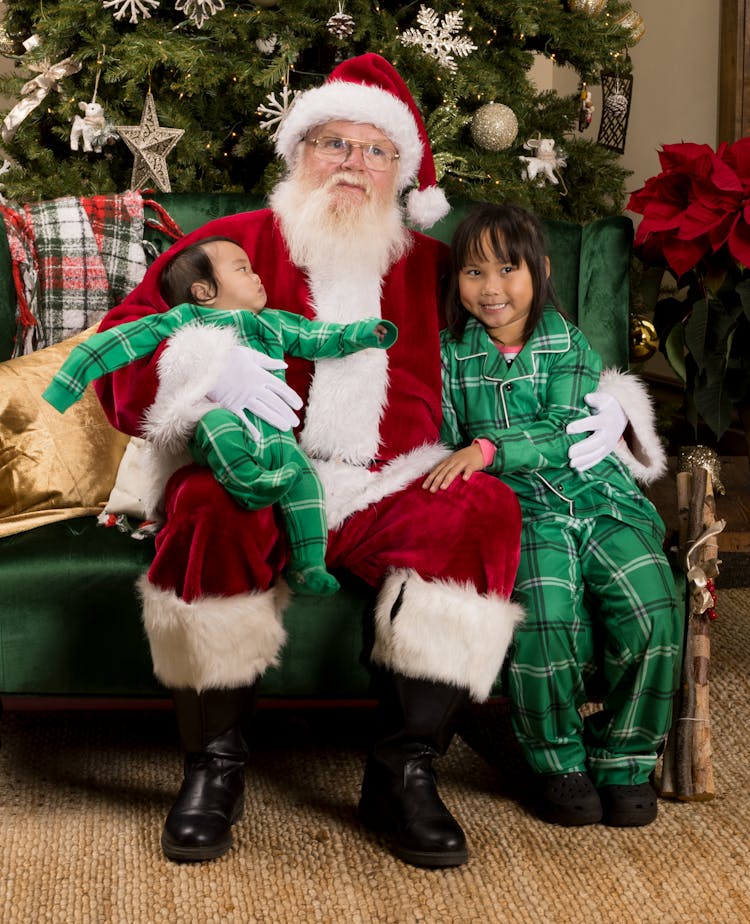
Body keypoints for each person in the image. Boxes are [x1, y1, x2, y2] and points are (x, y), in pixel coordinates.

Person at [93, 53, 665, 867]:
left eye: (375, 150)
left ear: (401, 171)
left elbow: (530, 335)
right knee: (203, 510)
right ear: (299, 152)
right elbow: (120, 347)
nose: (353, 166)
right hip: (256, 470)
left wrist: (610, 400)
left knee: (480, 511)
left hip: (390, 482)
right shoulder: (232, 247)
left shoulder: (437, 267)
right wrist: (198, 364)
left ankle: (404, 770)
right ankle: (213, 766)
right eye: (334, 143)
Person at [423, 203, 682, 828]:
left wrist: (491, 449)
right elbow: (445, 440)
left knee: (653, 611)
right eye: (473, 273)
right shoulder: (451, 355)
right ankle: (559, 760)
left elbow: (569, 427)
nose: (491, 289)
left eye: (507, 269)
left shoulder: (565, 340)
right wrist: (462, 462)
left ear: (539, 271)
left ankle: (624, 757)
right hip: (525, 511)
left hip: (600, 498)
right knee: (545, 621)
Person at [43, 236, 397, 597]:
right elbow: (119, 342)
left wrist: (362, 334)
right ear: (203, 290)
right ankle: (248, 485)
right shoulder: (185, 318)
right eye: (243, 269)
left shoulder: (273, 322)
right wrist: (67, 383)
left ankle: (308, 564)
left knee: (304, 480)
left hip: (275, 434)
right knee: (217, 423)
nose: (257, 276)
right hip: (215, 421)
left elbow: (315, 335)